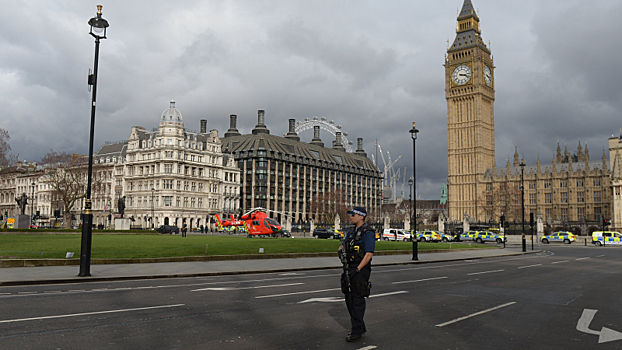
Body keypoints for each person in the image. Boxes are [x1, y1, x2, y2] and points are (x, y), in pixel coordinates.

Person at [338, 206, 375, 342]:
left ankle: (356, 330)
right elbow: (344, 246)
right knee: (348, 299)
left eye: (353, 215)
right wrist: (341, 250)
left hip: (360, 270)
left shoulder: (367, 233)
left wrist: (358, 269)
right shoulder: (351, 232)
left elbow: (369, 254)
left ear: (361, 217)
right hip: (349, 268)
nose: (351, 217)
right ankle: (360, 325)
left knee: (357, 299)